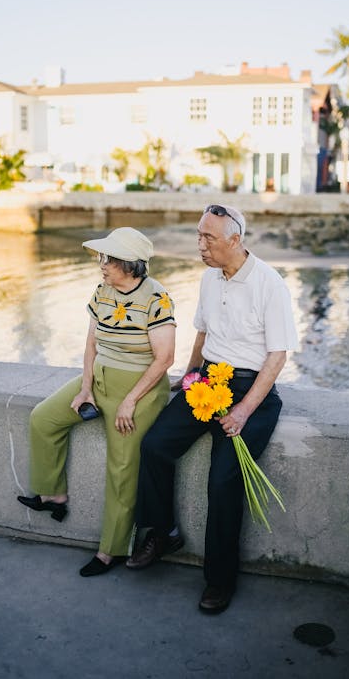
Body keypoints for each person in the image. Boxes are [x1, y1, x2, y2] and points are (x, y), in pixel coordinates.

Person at [126, 205, 299, 614]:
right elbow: (203, 333)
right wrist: (187, 378)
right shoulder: (208, 278)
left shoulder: (269, 284)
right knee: (153, 446)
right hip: (207, 381)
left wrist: (242, 412)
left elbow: (277, 357)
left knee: (222, 480)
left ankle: (220, 580)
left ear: (235, 241)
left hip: (253, 389)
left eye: (209, 238)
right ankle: (164, 532)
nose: (200, 245)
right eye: (199, 235)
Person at [18, 227, 176, 577]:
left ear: (131, 264)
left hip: (140, 389)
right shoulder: (103, 291)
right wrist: (85, 387)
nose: (101, 265)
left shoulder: (157, 298)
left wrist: (129, 401)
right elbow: (91, 344)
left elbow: (164, 359)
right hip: (99, 377)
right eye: (102, 257)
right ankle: (53, 495)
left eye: (109, 259)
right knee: (43, 418)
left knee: (122, 470)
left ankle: (112, 551)